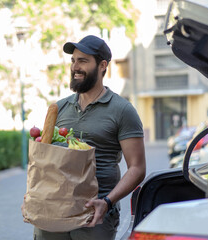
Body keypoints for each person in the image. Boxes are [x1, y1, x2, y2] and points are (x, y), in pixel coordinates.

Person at [33, 35, 146, 240]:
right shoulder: (59, 109)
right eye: (73, 60)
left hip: (95, 216)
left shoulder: (122, 110)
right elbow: (45, 159)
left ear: (102, 65)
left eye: (83, 61)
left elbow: (137, 168)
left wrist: (108, 202)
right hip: (53, 212)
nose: (75, 67)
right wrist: (35, 195)